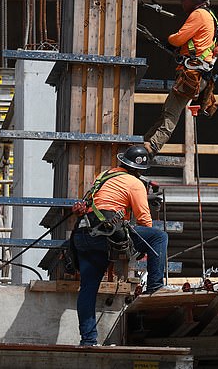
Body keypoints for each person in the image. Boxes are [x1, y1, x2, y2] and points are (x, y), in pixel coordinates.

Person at [72, 145, 168, 346]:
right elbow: (144, 220)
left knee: (88, 288)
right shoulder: (134, 183)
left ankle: (88, 340)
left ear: (123, 162)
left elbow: (93, 204)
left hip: (83, 233)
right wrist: (144, 249)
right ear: (140, 169)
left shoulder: (104, 176)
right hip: (105, 234)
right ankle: (155, 286)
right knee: (159, 237)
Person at [143, 0, 218, 158]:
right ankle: (147, 140)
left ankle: (152, 146)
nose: (181, 2)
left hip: (193, 74)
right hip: (200, 75)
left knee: (171, 112)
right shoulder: (211, 16)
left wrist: (170, 40)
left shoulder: (198, 14)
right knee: (168, 109)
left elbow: (179, 37)